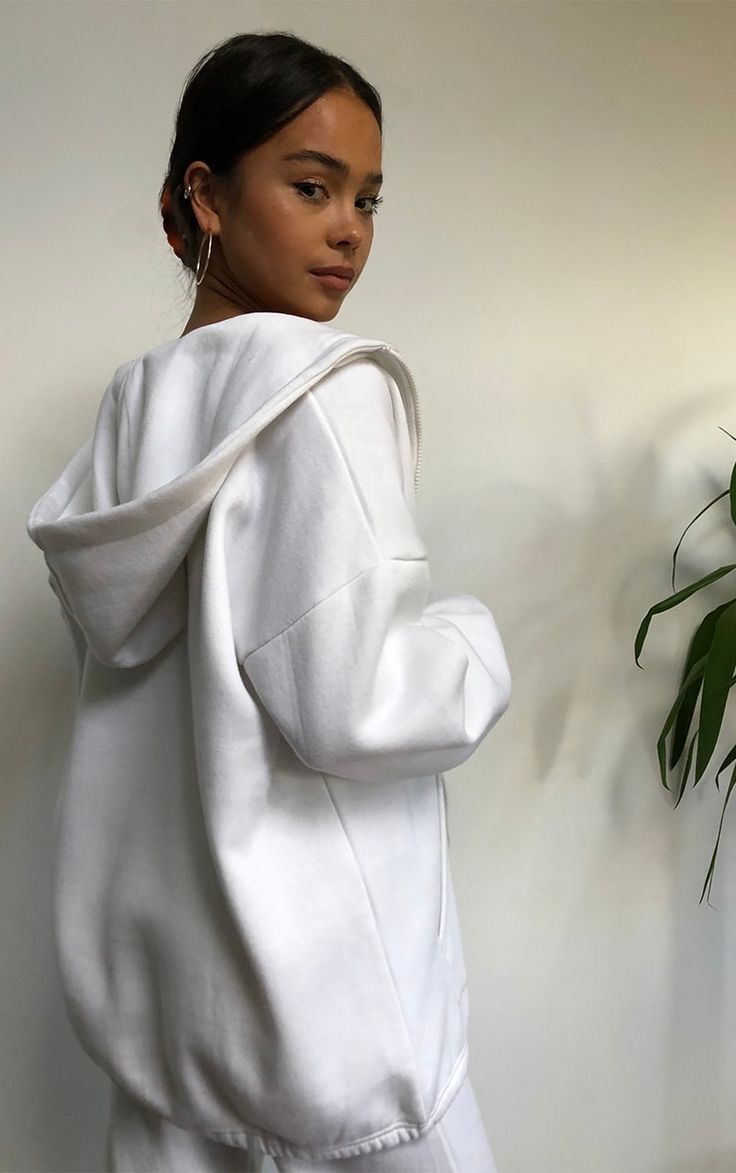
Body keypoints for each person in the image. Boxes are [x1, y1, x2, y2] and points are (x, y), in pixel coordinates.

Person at [26, 30, 512, 1173]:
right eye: (311, 187)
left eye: (367, 199)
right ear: (205, 195)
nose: (350, 230)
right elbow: (356, 708)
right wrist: (470, 640)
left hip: (176, 1034)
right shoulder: (324, 392)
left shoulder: (133, 408)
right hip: (335, 1031)